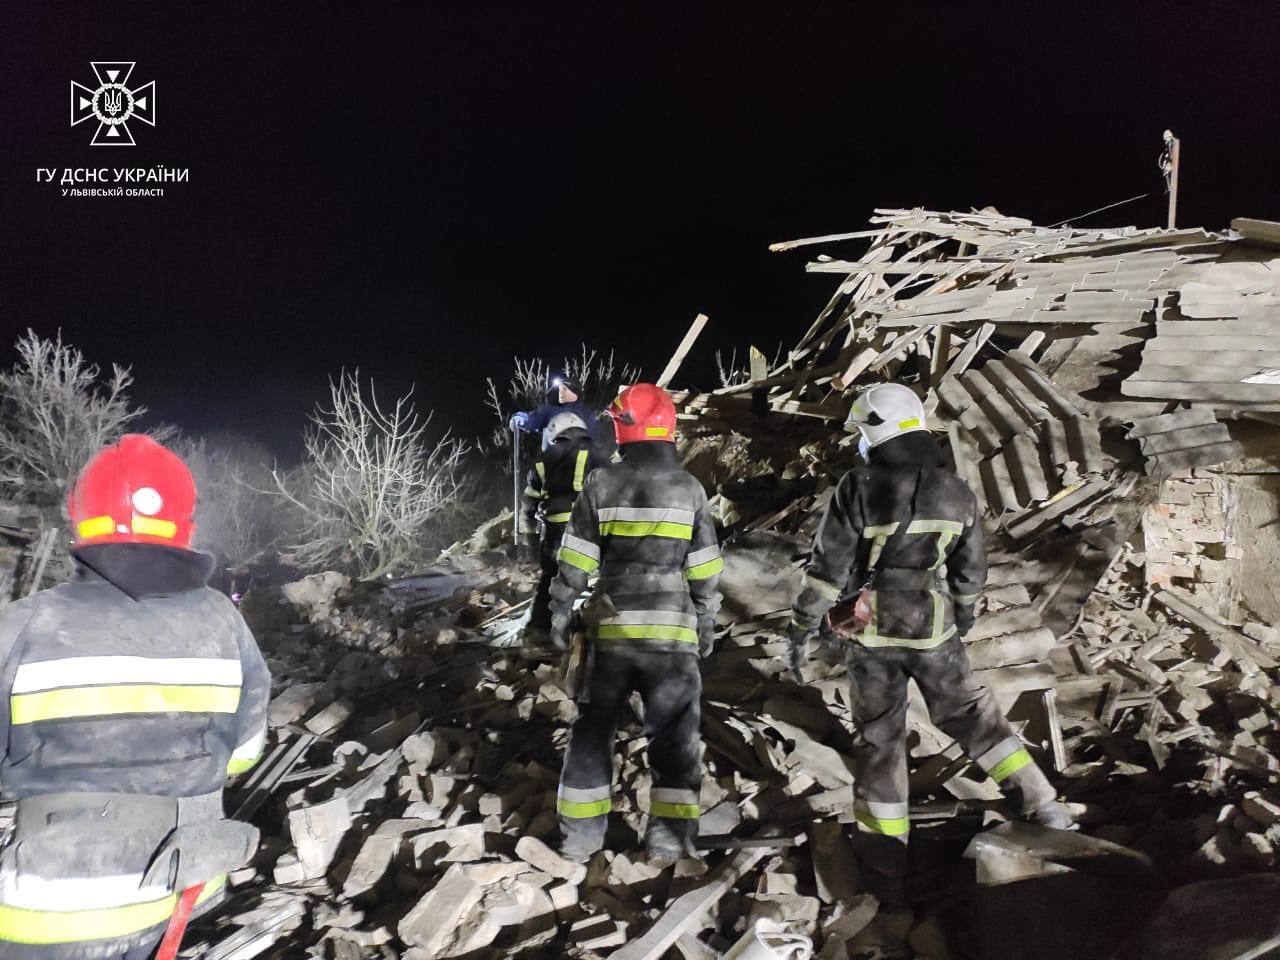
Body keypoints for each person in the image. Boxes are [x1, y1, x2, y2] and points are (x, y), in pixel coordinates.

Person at [789, 383, 1073, 905]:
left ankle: (886, 868)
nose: (859, 442)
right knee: (973, 715)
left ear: (877, 430)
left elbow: (828, 569)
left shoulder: (859, 485)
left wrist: (803, 624)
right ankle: (1045, 807)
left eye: (862, 432)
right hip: (933, 623)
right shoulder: (956, 490)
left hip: (871, 627)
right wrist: (960, 618)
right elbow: (970, 573)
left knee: (881, 740)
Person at [0, 435, 271, 959]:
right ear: (185, 525)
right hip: (182, 890)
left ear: (80, 520)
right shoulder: (224, 620)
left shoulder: (24, 624)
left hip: (51, 904)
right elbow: (244, 752)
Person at [546, 383, 723, 864]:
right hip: (672, 637)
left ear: (625, 429)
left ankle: (580, 841)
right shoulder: (690, 489)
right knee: (675, 740)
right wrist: (706, 616)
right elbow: (705, 566)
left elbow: (577, 559)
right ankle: (670, 843)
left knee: (592, 731)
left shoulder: (603, 484)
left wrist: (561, 610)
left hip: (612, 633)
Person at [520, 411, 608, 633]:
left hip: (554, 531)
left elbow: (528, 505)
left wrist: (529, 539)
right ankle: (600, 624)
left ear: (554, 434)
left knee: (551, 579)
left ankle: (539, 630)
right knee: (607, 575)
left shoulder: (542, 461)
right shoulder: (596, 453)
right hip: (589, 527)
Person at [509, 373, 604, 443]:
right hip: (553, 456)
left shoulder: (585, 413)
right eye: (559, 390)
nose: (561, 393)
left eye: (565, 389)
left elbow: (595, 434)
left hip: (578, 455)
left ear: (575, 392)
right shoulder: (549, 411)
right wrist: (520, 418)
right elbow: (533, 419)